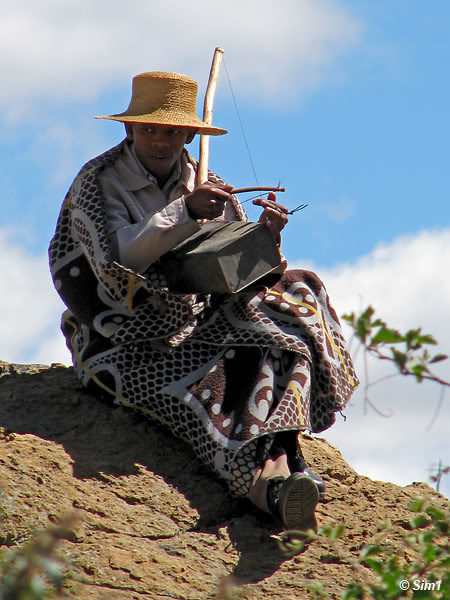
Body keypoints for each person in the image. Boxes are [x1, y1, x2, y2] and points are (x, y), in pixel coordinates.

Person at [49, 71, 358, 531]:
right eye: (149, 129)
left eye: (171, 131)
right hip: (120, 343)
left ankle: (284, 470)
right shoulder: (98, 185)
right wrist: (185, 213)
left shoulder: (208, 182)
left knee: (286, 315)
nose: (159, 140)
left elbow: (236, 275)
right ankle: (270, 484)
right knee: (206, 390)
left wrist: (265, 239)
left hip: (198, 329)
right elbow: (116, 260)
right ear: (128, 130)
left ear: (190, 134)